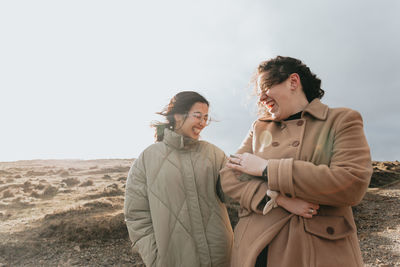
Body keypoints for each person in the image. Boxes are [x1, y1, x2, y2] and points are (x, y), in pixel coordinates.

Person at [221, 56, 373, 267]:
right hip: (256, 249)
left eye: (265, 87)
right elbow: (229, 177)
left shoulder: (342, 120)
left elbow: (351, 182)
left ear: (293, 81)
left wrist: (267, 169)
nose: (261, 98)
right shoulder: (259, 128)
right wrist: (277, 200)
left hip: (316, 249)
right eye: (258, 93)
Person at [124, 91, 233, 267]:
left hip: (221, 257)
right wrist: (155, 256)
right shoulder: (147, 158)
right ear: (177, 115)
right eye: (198, 116)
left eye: (206, 118)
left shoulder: (214, 154)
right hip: (173, 260)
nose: (203, 123)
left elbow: (234, 194)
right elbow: (135, 214)